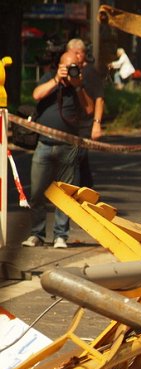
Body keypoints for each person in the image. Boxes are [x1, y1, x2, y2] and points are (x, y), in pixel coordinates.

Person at [21, 50, 94, 249]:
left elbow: (89, 109)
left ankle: (61, 235)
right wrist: (56, 79)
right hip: (44, 144)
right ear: (60, 65)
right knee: (37, 193)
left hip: (68, 147)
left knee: (65, 194)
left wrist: (78, 86)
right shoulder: (49, 78)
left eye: (74, 68)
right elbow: (36, 95)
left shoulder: (78, 85)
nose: (70, 71)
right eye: (67, 67)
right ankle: (37, 233)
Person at [66, 38, 104, 188]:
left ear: (82, 54)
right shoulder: (69, 71)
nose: (76, 57)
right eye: (72, 53)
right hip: (71, 122)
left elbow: (99, 99)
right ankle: (83, 190)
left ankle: (85, 189)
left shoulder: (90, 72)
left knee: (78, 158)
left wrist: (97, 124)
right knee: (78, 161)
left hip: (85, 123)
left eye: (78, 53)